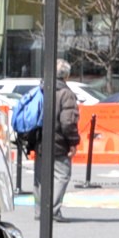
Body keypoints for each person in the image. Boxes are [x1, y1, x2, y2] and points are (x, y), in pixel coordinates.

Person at [49, 59, 82, 220]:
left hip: (41, 140)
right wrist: (73, 143)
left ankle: (40, 210)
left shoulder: (43, 88)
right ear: (66, 75)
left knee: (43, 177)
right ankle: (53, 210)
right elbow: (68, 121)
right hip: (59, 141)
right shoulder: (66, 93)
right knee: (62, 175)